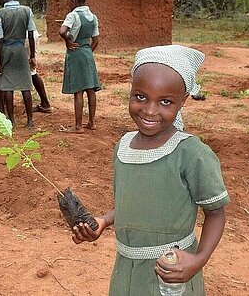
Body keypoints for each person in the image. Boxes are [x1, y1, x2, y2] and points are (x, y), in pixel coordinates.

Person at [71, 45, 230, 295]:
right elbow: (134, 202)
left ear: (183, 100)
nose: (150, 110)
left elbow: (216, 213)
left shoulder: (191, 153)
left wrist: (198, 260)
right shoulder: (123, 147)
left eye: (165, 101)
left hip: (171, 272)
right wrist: (103, 221)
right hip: (126, 271)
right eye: (141, 97)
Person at [0, 0, 37, 128]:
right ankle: (30, 121)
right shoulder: (26, 10)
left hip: (6, 50)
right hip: (21, 50)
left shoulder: (0, 14)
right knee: (25, 86)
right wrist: (32, 56)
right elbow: (30, 33)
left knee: (7, 87)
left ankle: (11, 120)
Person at [59, 0, 100, 133]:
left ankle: (78, 126)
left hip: (75, 53)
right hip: (87, 53)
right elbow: (95, 40)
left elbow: (62, 31)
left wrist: (68, 41)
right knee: (91, 89)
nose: (67, 5)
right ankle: (92, 122)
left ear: (73, 0)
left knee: (78, 90)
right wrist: (87, 51)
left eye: (68, 2)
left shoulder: (73, 15)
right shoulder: (93, 16)